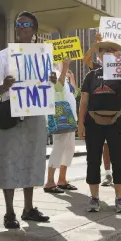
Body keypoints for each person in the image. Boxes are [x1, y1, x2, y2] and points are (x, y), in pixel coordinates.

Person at [0, 11, 51, 229]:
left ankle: (29, 208)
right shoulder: (4, 55)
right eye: (18, 24)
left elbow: (48, 86)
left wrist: (52, 79)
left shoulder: (43, 56)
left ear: (34, 30)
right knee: (8, 160)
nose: (21, 27)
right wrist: (4, 86)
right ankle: (9, 211)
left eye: (26, 24)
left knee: (32, 159)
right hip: (11, 114)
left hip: (34, 114)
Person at [78, 38, 121, 213]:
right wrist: (80, 123)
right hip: (93, 121)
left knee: (118, 159)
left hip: (116, 120)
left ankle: (119, 198)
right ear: (99, 55)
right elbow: (84, 101)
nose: (106, 53)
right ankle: (94, 198)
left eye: (110, 50)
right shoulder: (91, 75)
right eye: (102, 50)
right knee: (93, 160)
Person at [44, 58, 78, 194]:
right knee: (58, 148)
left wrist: (70, 76)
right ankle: (50, 181)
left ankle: (62, 179)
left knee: (69, 148)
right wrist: (65, 68)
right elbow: (57, 88)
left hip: (69, 117)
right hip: (60, 116)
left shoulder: (63, 74)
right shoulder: (51, 73)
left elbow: (73, 93)